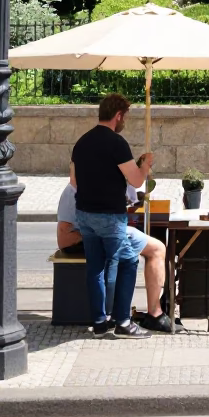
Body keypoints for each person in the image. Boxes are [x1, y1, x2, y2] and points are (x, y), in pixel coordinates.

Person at [70, 93, 153, 339]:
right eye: (125, 116)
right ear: (118, 116)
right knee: (128, 261)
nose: (125, 120)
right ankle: (123, 322)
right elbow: (136, 180)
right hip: (110, 215)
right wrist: (145, 165)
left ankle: (98, 322)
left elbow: (73, 181)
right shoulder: (117, 143)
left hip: (84, 213)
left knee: (95, 267)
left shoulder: (82, 142)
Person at [56, 173, 172, 333]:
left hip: (102, 235)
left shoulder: (89, 186)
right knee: (155, 249)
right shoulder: (73, 192)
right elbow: (63, 238)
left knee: (126, 255)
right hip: (91, 240)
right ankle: (151, 313)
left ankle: (110, 318)